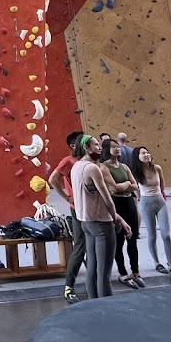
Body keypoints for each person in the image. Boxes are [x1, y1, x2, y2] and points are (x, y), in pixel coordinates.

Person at [71, 135, 131, 299]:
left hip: (86, 222)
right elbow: (108, 200)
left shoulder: (76, 167)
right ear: (86, 148)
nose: (99, 147)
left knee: (92, 268)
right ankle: (107, 309)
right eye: (96, 145)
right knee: (104, 272)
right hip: (101, 224)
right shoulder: (92, 169)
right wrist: (114, 218)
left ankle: (93, 305)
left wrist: (118, 218)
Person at [101, 139, 143, 289]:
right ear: (107, 149)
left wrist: (123, 186)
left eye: (117, 146)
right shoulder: (104, 167)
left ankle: (136, 271)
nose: (117, 149)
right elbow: (114, 188)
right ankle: (123, 272)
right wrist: (126, 186)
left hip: (129, 204)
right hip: (117, 205)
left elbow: (135, 185)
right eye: (113, 147)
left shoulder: (124, 166)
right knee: (119, 241)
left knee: (133, 239)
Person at [49, 130, 85, 304]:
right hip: (77, 209)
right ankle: (69, 287)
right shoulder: (68, 161)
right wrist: (67, 197)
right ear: (73, 145)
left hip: (91, 209)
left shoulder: (87, 161)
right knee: (80, 246)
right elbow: (53, 179)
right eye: (82, 141)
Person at [132, 146, 171, 280]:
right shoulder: (136, 172)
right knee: (152, 235)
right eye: (143, 153)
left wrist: (162, 194)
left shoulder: (157, 168)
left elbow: (162, 183)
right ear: (137, 157)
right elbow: (135, 189)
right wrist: (140, 200)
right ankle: (157, 262)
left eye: (147, 152)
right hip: (146, 203)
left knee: (166, 234)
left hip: (159, 201)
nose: (146, 155)